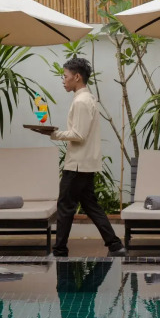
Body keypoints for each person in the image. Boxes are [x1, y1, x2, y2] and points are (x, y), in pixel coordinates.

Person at [33, 57, 126, 257]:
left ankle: (60, 250)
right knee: (90, 205)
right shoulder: (87, 98)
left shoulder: (82, 101)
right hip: (85, 163)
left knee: (65, 206)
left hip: (77, 164)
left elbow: (79, 134)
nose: (63, 80)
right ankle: (115, 245)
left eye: (65, 76)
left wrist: (53, 133)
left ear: (77, 77)